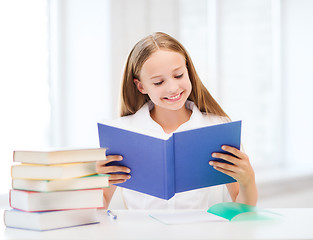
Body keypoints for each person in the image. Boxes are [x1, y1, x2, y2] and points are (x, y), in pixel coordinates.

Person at [96, 32, 257, 209]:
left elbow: (243, 210)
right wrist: (95, 181)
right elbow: (98, 209)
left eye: (178, 75)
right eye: (158, 82)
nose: (172, 88)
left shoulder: (218, 128)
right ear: (141, 86)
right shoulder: (121, 134)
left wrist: (247, 181)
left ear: (188, 71)